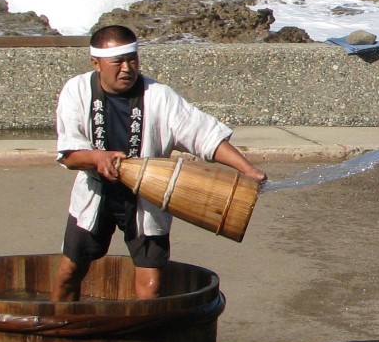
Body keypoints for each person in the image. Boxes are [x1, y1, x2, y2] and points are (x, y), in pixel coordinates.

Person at [51, 25, 266, 301]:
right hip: (94, 195)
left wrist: (247, 169)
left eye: (133, 59)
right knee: (70, 271)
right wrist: (96, 157)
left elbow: (203, 134)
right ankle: (54, 331)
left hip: (148, 195)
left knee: (151, 286)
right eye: (117, 62)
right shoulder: (77, 91)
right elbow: (68, 154)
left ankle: (141, 341)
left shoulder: (158, 95)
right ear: (96, 63)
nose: (127, 68)